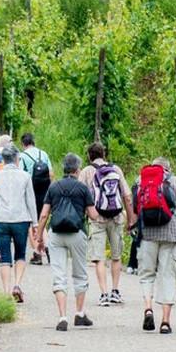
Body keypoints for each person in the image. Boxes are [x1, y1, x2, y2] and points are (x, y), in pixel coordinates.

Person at [35, 153, 101, 331]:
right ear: (77, 169)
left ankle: (62, 317)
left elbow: (43, 214)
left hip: (55, 234)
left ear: (63, 168)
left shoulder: (54, 186)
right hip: (77, 233)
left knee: (59, 274)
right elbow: (93, 215)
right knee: (79, 273)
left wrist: (39, 237)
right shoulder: (82, 188)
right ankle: (79, 314)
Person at [135, 157, 176, 334]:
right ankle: (165, 321)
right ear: (168, 168)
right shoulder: (175, 181)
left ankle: (148, 308)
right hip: (171, 235)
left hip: (148, 235)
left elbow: (136, 208)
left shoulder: (140, 181)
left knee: (146, 274)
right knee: (168, 276)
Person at [78, 142, 133, 307]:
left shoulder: (87, 171)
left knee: (99, 258)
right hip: (116, 217)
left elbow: (81, 195)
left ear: (89, 156)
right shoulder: (116, 170)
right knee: (116, 256)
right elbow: (127, 196)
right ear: (104, 154)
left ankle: (103, 294)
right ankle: (115, 291)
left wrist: (84, 215)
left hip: (97, 219)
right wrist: (131, 219)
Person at [0, 146, 38, 303]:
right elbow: (31, 201)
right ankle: (17, 285)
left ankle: (6, 292)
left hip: (0, 219)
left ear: (4, 159)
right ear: (17, 159)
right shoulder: (25, 176)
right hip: (21, 219)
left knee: (5, 258)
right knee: (20, 255)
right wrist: (35, 223)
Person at [19, 132, 53, 265]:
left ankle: (37, 252)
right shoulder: (43, 154)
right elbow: (51, 173)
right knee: (41, 220)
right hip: (44, 191)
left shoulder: (22, 156)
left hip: (30, 192)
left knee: (31, 222)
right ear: (33, 142)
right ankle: (46, 247)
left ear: (23, 144)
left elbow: (21, 175)